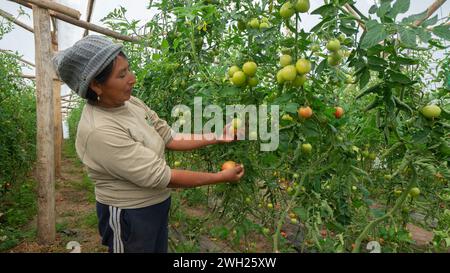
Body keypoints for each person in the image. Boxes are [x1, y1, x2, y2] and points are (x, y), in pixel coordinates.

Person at [52, 35, 244, 253]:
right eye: (122, 75)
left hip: (155, 204)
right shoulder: (100, 130)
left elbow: (169, 136)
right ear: (96, 85)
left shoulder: (130, 102)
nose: (132, 78)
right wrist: (220, 178)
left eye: (129, 69)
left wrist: (217, 135)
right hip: (129, 215)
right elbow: (162, 177)